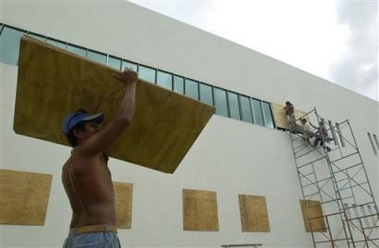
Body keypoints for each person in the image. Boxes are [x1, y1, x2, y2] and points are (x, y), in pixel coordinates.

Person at [61, 68, 138, 248]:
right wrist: (131, 83)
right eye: (92, 126)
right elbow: (124, 119)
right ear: (78, 133)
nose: (98, 129)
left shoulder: (69, 165)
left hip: (77, 237)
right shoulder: (88, 151)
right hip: (97, 237)